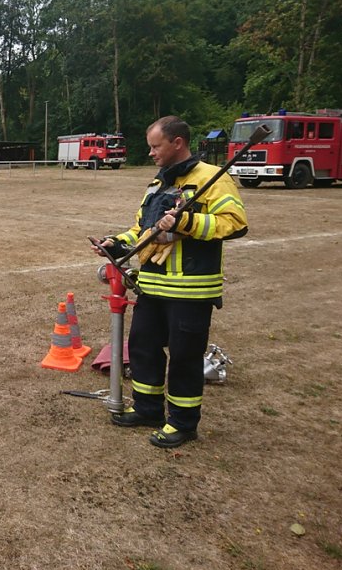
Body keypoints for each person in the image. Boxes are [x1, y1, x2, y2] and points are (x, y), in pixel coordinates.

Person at [91, 116, 248, 448]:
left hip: (191, 289)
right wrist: (115, 242)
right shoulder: (156, 184)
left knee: (184, 358)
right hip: (152, 285)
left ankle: (182, 423)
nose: (150, 153)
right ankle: (148, 409)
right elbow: (142, 230)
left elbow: (235, 223)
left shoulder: (212, 178)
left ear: (177, 143)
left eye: (155, 146)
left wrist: (187, 222)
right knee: (144, 350)